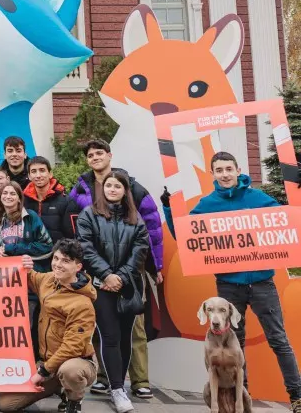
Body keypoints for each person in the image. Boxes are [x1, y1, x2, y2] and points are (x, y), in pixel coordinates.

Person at [162, 152, 301, 409]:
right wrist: (169, 209)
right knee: (236, 342)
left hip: (262, 283)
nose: (224, 174)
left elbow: (288, 221)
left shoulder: (258, 198)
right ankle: (242, 399)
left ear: (238, 170)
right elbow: (185, 236)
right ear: (213, 174)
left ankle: (297, 397)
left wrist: (296, 186)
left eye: (228, 168)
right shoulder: (207, 204)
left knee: (279, 340)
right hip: (228, 286)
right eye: (219, 170)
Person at [71, 139, 163, 398]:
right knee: (104, 331)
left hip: (129, 276)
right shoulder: (80, 188)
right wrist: (101, 273)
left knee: (133, 331)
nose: (95, 158)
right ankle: (109, 381)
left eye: (99, 153)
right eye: (90, 155)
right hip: (98, 274)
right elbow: (79, 236)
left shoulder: (134, 188)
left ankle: (139, 381)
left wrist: (154, 267)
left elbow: (151, 231)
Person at [76, 171, 149, 413]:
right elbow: (85, 248)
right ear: (102, 188)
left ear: (125, 190)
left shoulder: (135, 218)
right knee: (110, 336)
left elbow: (140, 250)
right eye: (109, 185)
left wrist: (121, 277)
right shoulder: (90, 215)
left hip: (127, 286)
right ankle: (117, 388)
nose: (113, 189)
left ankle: (120, 386)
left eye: (118, 186)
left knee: (126, 337)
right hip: (101, 286)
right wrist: (106, 274)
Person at [0, 240, 97, 413]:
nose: (58, 264)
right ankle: (57, 387)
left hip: (75, 362)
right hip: (47, 363)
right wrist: (20, 261)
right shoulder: (49, 280)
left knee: (70, 371)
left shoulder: (83, 304)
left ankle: (74, 400)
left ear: (78, 266)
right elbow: (29, 276)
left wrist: (41, 373)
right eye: (56, 258)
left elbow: (72, 348)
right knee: (5, 404)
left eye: (65, 261)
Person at [0, 181, 52, 269]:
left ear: (19, 199)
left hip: (32, 270)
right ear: (0, 198)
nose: (8, 196)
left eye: (13, 193)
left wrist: (13, 249)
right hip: (10, 273)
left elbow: (47, 246)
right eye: (5, 193)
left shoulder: (30, 216)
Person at [22, 157, 78, 243]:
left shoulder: (67, 202)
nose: (38, 175)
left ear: (50, 174)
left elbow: (72, 237)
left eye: (42, 170)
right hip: (29, 254)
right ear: (29, 176)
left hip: (57, 253)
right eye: (33, 171)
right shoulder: (23, 202)